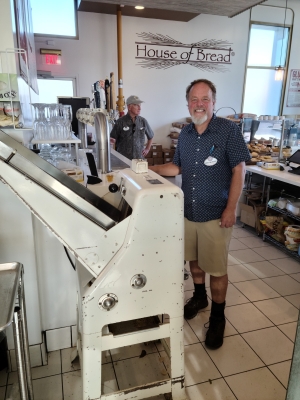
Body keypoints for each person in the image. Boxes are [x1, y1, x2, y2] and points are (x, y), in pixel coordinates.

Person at [149, 79, 251, 349]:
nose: (199, 104)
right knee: (193, 260)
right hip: (189, 210)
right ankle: (199, 296)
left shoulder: (228, 130)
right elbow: (177, 168)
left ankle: (218, 318)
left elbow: (239, 170)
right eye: (194, 99)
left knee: (216, 268)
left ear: (213, 102)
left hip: (216, 214)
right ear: (188, 103)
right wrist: (150, 169)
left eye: (205, 99)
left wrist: (231, 209)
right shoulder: (185, 134)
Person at [110, 95, 154, 160]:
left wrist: (147, 149)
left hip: (139, 159)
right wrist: (111, 141)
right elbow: (112, 138)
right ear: (129, 107)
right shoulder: (120, 122)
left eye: (140, 105)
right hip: (123, 160)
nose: (140, 108)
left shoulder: (143, 121)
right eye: (137, 105)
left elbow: (151, 136)